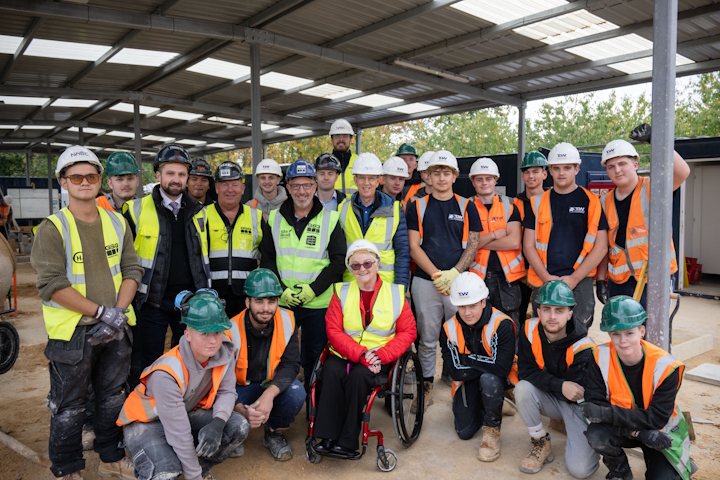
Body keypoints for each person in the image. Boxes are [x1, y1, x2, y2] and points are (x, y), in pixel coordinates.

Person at [31, 145, 143, 480]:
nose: (84, 182)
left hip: (115, 330)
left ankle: (110, 458)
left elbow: (132, 270)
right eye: (76, 176)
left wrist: (117, 313)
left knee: (112, 399)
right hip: (73, 333)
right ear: (63, 182)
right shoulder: (53, 228)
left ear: (99, 181)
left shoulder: (116, 222)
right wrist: (101, 312)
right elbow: (52, 284)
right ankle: (67, 469)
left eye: (91, 176)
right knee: (70, 405)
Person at [118, 289, 248, 480]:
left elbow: (227, 392)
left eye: (218, 332)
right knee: (166, 473)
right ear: (187, 334)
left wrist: (218, 423)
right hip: (147, 424)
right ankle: (175, 467)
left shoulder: (224, 353)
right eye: (204, 333)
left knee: (238, 426)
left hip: (185, 414)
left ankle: (199, 468)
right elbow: (179, 433)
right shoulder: (167, 372)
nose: (213, 341)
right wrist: (193, 477)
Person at [313, 240, 416, 454]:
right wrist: (360, 354)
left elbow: (408, 332)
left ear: (377, 264)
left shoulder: (395, 294)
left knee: (358, 378)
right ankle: (328, 436)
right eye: (356, 265)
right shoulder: (341, 292)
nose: (362, 269)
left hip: (380, 357)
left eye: (367, 263)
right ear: (350, 269)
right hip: (346, 353)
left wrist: (381, 355)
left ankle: (348, 442)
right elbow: (333, 331)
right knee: (331, 371)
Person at [123, 144, 211, 388]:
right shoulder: (134, 210)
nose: (176, 179)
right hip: (151, 302)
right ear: (158, 175)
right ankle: (145, 404)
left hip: (189, 302)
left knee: (187, 359)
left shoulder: (200, 212)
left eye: (182, 174)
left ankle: (181, 403)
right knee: (147, 361)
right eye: (170, 173)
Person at [582, 296, 695, 480]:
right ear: (609, 334)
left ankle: (673, 465)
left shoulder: (666, 367)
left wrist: (607, 413)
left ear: (642, 331)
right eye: (616, 334)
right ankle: (621, 473)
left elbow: (657, 418)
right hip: (628, 429)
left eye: (629, 333)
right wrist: (638, 433)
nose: (623, 341)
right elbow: (594, 409)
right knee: (597, 434)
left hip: (660, 431)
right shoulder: (598, 357)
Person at [259, 159, 346, 391]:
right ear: (287, 188)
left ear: (315, 186)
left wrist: (313, 290)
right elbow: (267, 259)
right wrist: (281, 291)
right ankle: (279, 402)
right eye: (296, 186)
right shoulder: (274, 218)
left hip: (318, 303)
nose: (301, 191)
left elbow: (339, 262)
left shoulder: (331, 219)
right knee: (278, 354)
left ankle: (314, 403)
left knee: (315, 356)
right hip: (284, 301)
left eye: (307, 185)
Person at [406, 150, 483, 409]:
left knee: (461, 335)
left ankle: (462, 383)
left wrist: (454, 274)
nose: (441, 178)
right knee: (427, 338)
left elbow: (473, 245)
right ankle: (426, 385)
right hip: (425, 281)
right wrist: (437, 275)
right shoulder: (417, 206)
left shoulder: (466, 206)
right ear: (427, 176)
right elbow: (414, 246)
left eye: (446, 173)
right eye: (436, 173)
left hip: (458, 283)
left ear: (454, 176)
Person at [596, 123, 689, 308]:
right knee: (620, 326)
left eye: (622, 164)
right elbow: (605, 245)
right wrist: (600, 279)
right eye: (611, 166)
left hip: (653, 279)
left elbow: (683, 172)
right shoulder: (604, 201)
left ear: (636, 164)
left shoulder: (652, 188)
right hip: (619, 281)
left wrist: (656, 139)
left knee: (652, 326)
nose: (617, 170)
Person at [514, 280, 600, 477]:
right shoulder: (529, 330)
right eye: (547, 309)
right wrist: (560, 385)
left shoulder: (584, 346)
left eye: (559, 310)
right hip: (555, 394)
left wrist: (557, 387)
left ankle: (575, 433)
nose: (552, 316)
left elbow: (575, 394)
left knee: (580, 470)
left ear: (570, 313)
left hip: (577, 406)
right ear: (538, 311)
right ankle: (541, 441)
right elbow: (526, 371)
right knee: (522, 389)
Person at [522, 142, 609, 328]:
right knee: (546, 333)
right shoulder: (536, 203)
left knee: (578, 333)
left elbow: (601, 246)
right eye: (556, 168)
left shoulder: (592, 201)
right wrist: (547, 278)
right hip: (544, 280)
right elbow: (528, 246)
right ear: (550, 171)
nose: (561, 173)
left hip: (580, 281)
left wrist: (574, 278)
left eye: (567, 168)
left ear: (577, 169)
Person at [226, 269, 304, 461]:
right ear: (247, 302)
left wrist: (269, 395)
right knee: (219, 404)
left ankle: (274, 433)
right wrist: (240, 410)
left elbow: (291, 365)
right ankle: (235, 431)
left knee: (296, 392)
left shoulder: (287, 320)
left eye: (271, 301)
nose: (266, 308)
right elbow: (221, 381)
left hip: (270, 383)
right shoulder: (230, 330)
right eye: (259, 301)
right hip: (240, 388)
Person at [441, 272, 516, 462]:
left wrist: (467, 359)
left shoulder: (502, 324)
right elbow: (454, 371)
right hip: (467, 379)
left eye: (472, 305)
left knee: (489, 379)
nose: (467, 313)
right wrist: (486, 363)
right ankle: (496, 404)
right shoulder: (448, 329)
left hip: (497, 380)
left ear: (483, 301)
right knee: (464, 432)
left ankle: (492, 431)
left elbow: (502, 369)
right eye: (462, 306)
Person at [338, 152, 410, 289]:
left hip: (385, 286)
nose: (366, 183)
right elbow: (337, 252)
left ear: (378, 181)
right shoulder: (342, 208)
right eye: (362, 178)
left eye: (371, 178)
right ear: (355, 180)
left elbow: (402, 253)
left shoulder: (395, 209)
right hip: (352, 284)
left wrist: (400, 288)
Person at [468, 157, 525, 328]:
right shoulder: (465, 207)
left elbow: (514, 242)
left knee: (509, 329)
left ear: (495, 180)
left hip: (506, 279)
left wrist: (478, 242)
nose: (484, 183)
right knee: (478, 328)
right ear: (473, 182)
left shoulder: (509, 205)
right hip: (476, 278)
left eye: (488, 178)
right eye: (479, 179)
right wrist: (494, 234)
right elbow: (464, 244)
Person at [206, 161, 260, 318]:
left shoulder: (256, 217)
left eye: (235, 184)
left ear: (243, 188)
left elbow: (268, 256)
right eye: (224, 184)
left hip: (246, 296)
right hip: (211, 296)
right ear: (216, 188)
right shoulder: (202, 216)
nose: (230, 189)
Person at [514, 151, 549, 325]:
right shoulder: (514, 204)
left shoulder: (551, 202)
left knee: (544, 318)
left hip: (545, 272)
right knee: (518, 317)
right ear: (522, 176)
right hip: (519, 274)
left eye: (535, 171)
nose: (531, 176)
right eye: (527, 172)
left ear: (544, 174)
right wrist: (523, 272)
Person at [329, 119, 358, 195]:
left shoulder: (359, 162)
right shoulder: (324, 164)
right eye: (337, 136)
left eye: (345, 136)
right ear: (332, 140)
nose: (341, 139)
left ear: (351, 139)